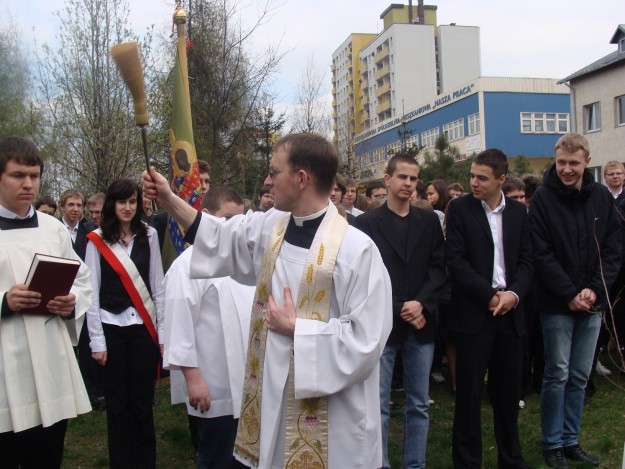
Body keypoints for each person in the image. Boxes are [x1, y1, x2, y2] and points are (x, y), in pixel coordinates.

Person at [142, 132, 393, 469]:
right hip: (274, 397)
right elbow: (220, 237)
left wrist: (298, 329)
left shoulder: (357, 251)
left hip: (333, 417)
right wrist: (169, 199)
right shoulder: (273, 226)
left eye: (275, 172)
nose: (268, 181)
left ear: (301, 178)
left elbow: (368, 340)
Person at [529, 133, 621, 469]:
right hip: (557, 303)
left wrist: (595, 289)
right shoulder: (543, 198)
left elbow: (613, 249)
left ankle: (571, 439)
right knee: (557, 373)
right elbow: (541, 252)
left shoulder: (601, 197)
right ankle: (552, 442)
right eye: (561, 163)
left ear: (587, 162)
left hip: (592, 302)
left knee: (580, 375)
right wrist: (568, 293)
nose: (567, 169)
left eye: (574, 163)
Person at [0, 137, 92, 468]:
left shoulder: (53, 229)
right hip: (5, 363)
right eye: (18, 175)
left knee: (46, 456)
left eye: (34, 175)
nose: (28, 184)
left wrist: (71, 301)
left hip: (49, 359)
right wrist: (5, 301)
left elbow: (82, 279)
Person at [355, 154, 446, 469]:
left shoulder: (429, 221)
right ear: (388, 178)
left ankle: (414, 463)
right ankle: (380, 463)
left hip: (421, 322)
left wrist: (420, 302)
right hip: (383, 325)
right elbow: (364, 275)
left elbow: (438, 268)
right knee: (378, 404)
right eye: (402, 177)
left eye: (413, 178)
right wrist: (399, 307)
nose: (408, 183)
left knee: (419, 403)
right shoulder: (366, 224)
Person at [446, 149, 534, 469]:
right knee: (469, 396)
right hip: (475, 313)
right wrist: (489, 296)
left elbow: (527, 261)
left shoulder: (518, 213)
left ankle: (510, 459)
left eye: (481, 178)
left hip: (510, 316)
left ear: (501, 179)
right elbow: (456, 261)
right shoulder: (460, 209)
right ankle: (467, 462)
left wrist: (513, 295)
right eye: (472, 175)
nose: (474, 182)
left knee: (508, 395)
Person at [163, 186, 255, 469]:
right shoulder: (186, 266)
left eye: (239, 220)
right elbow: (179, 324)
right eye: (226, 219)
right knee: (217, 456)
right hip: (213, 382)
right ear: (203, 216)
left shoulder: (244, 262)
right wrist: (193, 378)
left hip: (246, 379)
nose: (232, 228)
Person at [85, 178, 165, 468]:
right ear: (112, 204)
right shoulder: (96, 240)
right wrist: (97, 341)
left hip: (142, 329)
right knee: (117, 405)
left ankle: (145, 462)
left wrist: (162, 334)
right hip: (111, 328)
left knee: (142, 402)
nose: (128, 207)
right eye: (122, 201)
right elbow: (91, 293)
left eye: (133, 201)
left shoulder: (150, 235)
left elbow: (157, 287)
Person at [59, 189, 94, 261]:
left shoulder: (89, 231)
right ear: (62, 207)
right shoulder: (55, 229)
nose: (75, 209)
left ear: (83, 208)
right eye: (71, 205)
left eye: (79, 205)